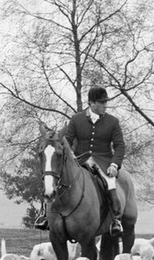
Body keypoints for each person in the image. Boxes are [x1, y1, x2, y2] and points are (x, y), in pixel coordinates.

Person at [34, 86, 126, 235]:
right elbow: (68, 140)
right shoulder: (76, 119)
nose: (105, 105)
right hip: (80, 160)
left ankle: (116, 221)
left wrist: (114, 164)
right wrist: (67, 154)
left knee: (109, 182)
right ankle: (44, 215)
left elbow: (120, 146)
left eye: (105, 102)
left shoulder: (113, 122)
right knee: (53, 179)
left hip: (103, 162)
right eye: (102, 103)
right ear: (91, 103)